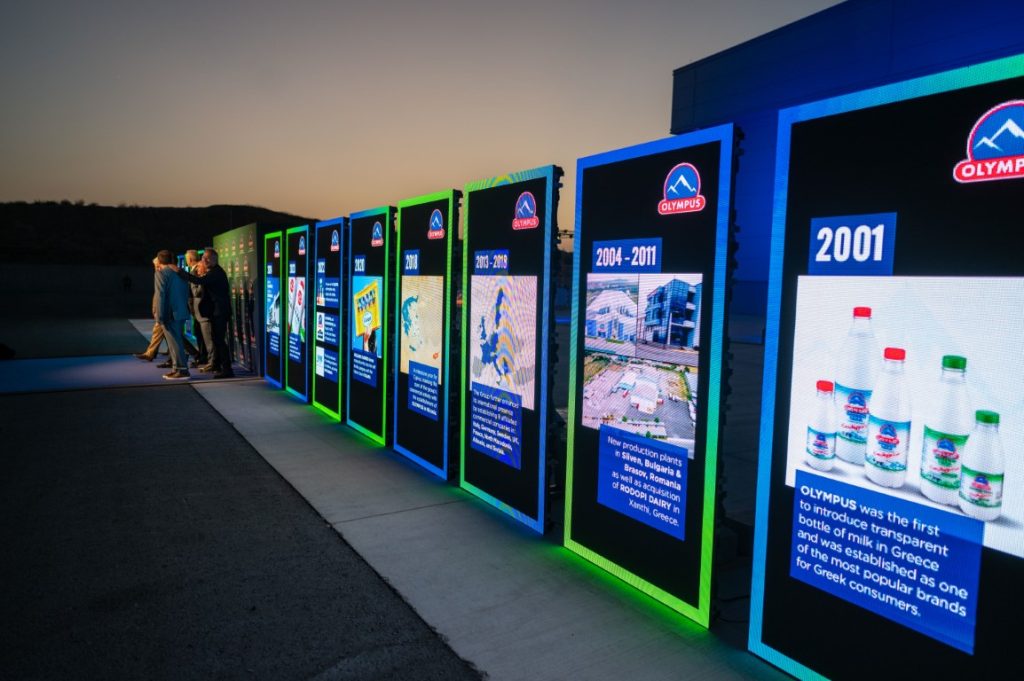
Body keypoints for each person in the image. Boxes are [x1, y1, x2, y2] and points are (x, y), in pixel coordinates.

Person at [174, 247, 233, 378]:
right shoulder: (212, 271)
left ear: (214, 259)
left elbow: (199, 281)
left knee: (219, 341)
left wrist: (181, 272)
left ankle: (227, 369)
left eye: (207, 258)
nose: (204, 260)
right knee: (216, 340)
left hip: (220, 312)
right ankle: (217, 365)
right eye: (203, 257)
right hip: (215, 311)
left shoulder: (216, 272)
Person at [155, 250, 192, 380]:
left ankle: (182, 370)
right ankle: (177, 368)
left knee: (175, 343)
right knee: (176, 342)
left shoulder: (161, 273)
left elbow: (160, 296)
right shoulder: (180, 273)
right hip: (181, 312)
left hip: (169, 314)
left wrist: (159, 316)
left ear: (159, 260)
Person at [134, 258, 166, 361]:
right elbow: (157, 295)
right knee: (166, 334)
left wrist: (157, 310)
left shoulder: (163, 275)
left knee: (161, 332)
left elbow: (161, 295)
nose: (155, 267)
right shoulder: (160, 274)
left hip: (164, 311)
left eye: (157, 265)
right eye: (155, 266)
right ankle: (151, 353)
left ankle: (150, 353)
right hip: (162, 310)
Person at [185, 249, 212, 368]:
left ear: (190, 259)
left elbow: (196, 292)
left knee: (202, 334)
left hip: (200, 308)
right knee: (199, 333)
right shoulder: (194, 269)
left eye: (187, 258)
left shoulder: (197, 270)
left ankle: (203, 357)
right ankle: (202, 356)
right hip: (196, 308)